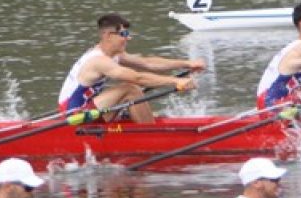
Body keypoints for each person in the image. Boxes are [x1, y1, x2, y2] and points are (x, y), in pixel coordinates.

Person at [58, 13, 203, 123]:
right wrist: (175, 81)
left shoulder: (115, 55)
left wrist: (187, 64)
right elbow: (137, 78)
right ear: (108, 35)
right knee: (131, 89)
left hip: (89, 106)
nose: (128, 38)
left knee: (132, 92)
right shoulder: (98, 61)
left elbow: (148, 63)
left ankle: (142, 120)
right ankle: (152, 135)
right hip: (75, 115)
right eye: (124, 34)